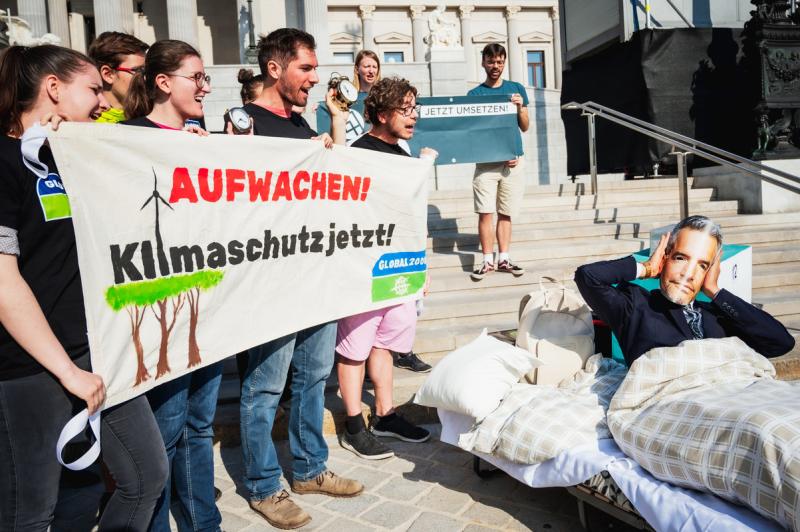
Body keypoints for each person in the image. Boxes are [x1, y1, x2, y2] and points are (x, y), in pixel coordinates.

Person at [0, 44, 168, 531]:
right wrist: (68, 373)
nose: (103, 101)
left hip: (99, 353)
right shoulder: (6, 163)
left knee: (145, 476)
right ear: (53, 89)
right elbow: (5, 282)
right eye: (93, 89)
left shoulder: (74, 157)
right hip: (29, 369)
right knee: (28, 513)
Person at [238, 28, 363, 530]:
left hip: (317, 276)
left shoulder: (304, 124)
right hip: (271, 282)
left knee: (313, 377)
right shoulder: (244, 122)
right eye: (306, 69)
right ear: (275, 69)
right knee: (265, 387)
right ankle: (264, 485)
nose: (315, 79)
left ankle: (310, 468)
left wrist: (331, 125)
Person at [122, 39, 222, 532]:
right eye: (196, 77)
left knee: (200, 427)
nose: (205, 87)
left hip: (210, 306)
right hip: (159, 311)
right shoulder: (126, 139)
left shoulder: (205, 138)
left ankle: (204, 521)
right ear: (163, 83)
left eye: (205, 78)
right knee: (164, 431)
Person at [336, 76, 434, 460]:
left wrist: (420, 270)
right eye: (405, 109)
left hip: (399, 271)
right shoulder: (359, 153)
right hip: (364, 271)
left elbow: (410, 220)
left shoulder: (404, 158)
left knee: (385, 344)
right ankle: (353, 425)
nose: (413, 116)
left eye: (414, 108)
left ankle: (385, 414)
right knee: (354, 349)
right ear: (381, 113)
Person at [575, 215, 795, 366]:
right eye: (681, 258)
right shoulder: (634, 304)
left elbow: (781, 342)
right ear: (666, 257)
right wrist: (646, 269)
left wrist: (715, 291)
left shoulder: (716, 313)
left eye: (702, 265)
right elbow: (588, 277)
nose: (688, 273)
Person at [468, 43, 529, 281]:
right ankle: (487, 261)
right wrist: (497, 153)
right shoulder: (474, 95)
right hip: (486, 164)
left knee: (506, 213)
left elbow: (525, 125)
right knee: (485, 212)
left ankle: (504, 258)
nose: (496, 66)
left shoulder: (516, 89)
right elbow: (475, 135)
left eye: (500, 62)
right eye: (492, 62)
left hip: (514, 162)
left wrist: (519, 107)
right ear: (483, 62)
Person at [87, 31, 149, 124]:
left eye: (146, 70)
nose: (145, 78)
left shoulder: (153, 112)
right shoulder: (88, 121)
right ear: (108, 74)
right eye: (137, 70)